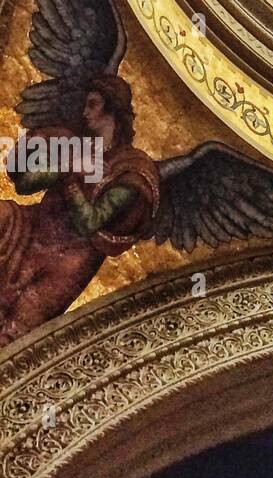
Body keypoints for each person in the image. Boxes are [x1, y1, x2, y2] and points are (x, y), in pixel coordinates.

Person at [0, 77, 160, 348]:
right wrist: (46, 145)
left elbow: (90, 222)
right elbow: (24, 183)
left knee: (16, 333)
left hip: (68, 261)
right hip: (31, 226)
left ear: (112, 110)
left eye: (92, 105)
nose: (85, 112)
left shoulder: (134, 170)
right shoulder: (80, 146)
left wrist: (71, 178)